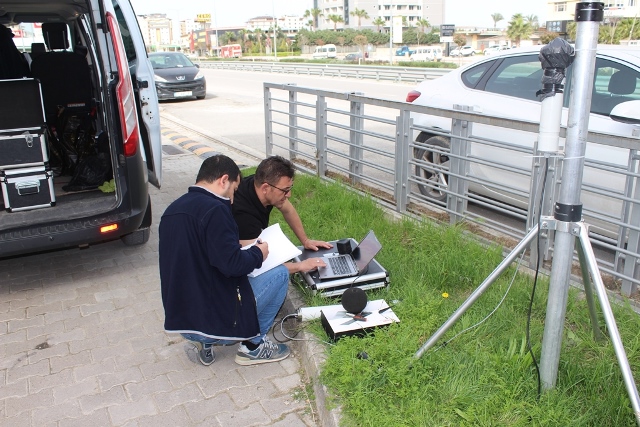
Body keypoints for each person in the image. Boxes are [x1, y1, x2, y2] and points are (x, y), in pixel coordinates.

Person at [159, 155, 290, 367]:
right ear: (223, 180)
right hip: (213, 324)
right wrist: (258, 253)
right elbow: (233, 265)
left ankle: (205, 344)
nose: (232, 198)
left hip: (181, 322)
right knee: (280, 274)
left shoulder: (171, 210)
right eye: (234, 190)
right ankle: (253, 347)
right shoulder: (216, 209)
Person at [232, 155, 333, 274]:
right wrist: (300, 266)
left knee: (284, 244)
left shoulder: (258, 185)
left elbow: (288, 210)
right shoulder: (243, 215)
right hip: (239, 271)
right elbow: (259, 265)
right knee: (279, 275)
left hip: (251, 247)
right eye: (285, 190)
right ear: (265, 188)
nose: (289, 195)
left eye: (290, 189)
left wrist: (305, 241)